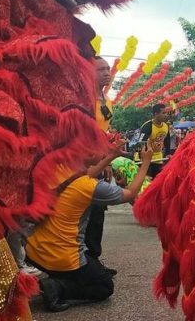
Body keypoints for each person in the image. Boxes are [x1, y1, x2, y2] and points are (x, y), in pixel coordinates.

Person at [26, 145, 153, 312]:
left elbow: (86, 174)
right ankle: (56, 287)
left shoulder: (62, 172)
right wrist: (146, 162)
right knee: (104, 286)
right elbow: (130, 193)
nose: (103, 152)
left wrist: (112, 156)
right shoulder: (90, 186)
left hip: (34, 251)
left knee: (92, 269)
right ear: (89, 152)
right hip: (61, 257)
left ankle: (63, 277)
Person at [84, 56, 115, 274]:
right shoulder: (82, 99)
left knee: (97, 213)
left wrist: (107, 162)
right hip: (82, 164)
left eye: (107, 69)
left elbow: (103, 134)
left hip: (100, 161)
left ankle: (93, 260)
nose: (106, 73)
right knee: (83, 213)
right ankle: (81, 263)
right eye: (100, 69)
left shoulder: (107, 100)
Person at [136, 103, 172, 178]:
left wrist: (168, 153)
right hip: (146, 158)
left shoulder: (166, 126)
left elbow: (167, 140)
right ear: (156, 114)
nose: (166, 115)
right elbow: (141, 143)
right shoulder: (147, 126)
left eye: (166, 113)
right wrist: (142, 158)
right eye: (163, 113)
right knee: (147, 181)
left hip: (158, 158)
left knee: (157, 180)